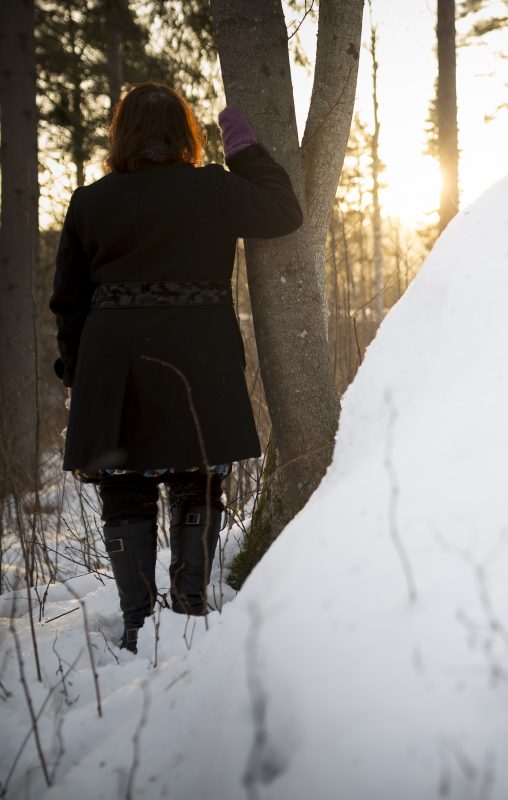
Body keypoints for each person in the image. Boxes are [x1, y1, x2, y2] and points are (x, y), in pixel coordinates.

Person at [49, 83, 303, 653]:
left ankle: (139, 623)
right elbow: (285, 213)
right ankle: (187, 612)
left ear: (123, 135)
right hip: (198, 353)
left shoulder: (90, 200)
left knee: (125, 489)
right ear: (185, 135)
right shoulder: (213, 187)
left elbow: (68, 301)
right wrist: (244, 152)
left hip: (114, 361)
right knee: (198, 480)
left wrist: (75, 374)